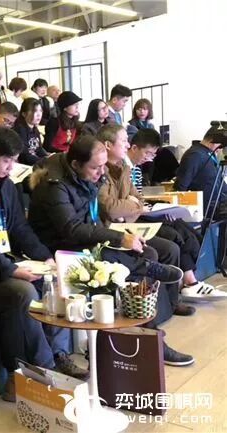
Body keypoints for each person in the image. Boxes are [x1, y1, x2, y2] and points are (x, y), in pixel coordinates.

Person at [28, 135, 194, 365]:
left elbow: (92, 220)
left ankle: (147, 336)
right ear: (76, 164)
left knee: (143, 253)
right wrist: (119, 238)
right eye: (95, 167)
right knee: (118, 262)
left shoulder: (84, 175)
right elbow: (72, 229)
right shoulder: (54, 187)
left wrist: (119, 237)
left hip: (83, 242)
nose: (101, 172)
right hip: (59, 250)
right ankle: (150, 338)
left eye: (103, 166)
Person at [0, 128, 88, 393]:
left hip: (5, 259)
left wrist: (46, 257)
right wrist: (12, 269)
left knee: (52, 279)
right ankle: (45, 369)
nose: (11, 167)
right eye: (6, 161)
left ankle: (57, 356)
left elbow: (20, 228)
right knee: (24, 292)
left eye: (14, 161)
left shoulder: (6, 185)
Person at [99, 125, 221, 303]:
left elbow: (137, 199)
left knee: (182, 230)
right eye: (124, 141)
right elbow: (110, 208)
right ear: (108, 145)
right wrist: (132, 207)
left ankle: (179, 294)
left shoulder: (123, 168)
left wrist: (130, 208)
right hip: (116, 228)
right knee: (171, 243)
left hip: (129, 221)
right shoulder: (102, 171)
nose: (127, 145)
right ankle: (176, 292)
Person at [175, 125, 227, 217]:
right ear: (212, 139)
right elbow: (181, 186)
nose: (221, 148)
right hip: (206, 209)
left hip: (218, 205)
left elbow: (218, 181)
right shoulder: (195, 155)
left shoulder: (208, 153)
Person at [13, 98, 47, 166]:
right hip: (24, 165)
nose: (39, 114)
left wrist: (48, 157)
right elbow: (24, 156)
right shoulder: (20, 129)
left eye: (40, 111)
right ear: (24, 114)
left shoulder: (34, 128)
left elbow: (39, 149)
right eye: (35, 111)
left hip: (35, 163)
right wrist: (44, 162)